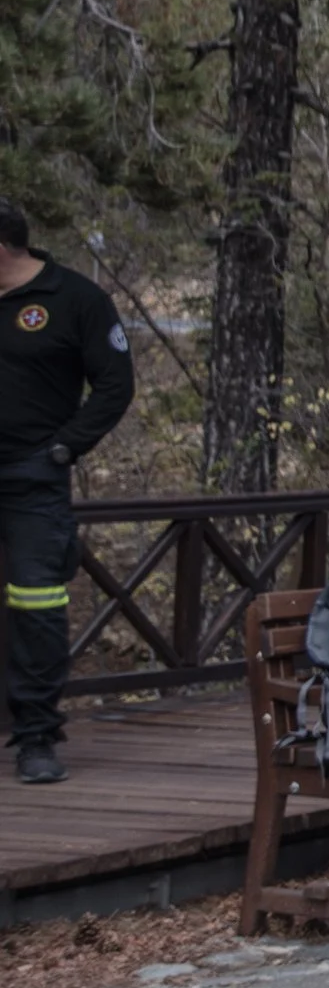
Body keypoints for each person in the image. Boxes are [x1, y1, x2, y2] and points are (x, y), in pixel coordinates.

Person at [0, 197, 134, 783]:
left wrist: (65, 447)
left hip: (32, 479)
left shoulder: (76, 300)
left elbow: (114, 385)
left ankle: (35, 737)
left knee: (36, 604)